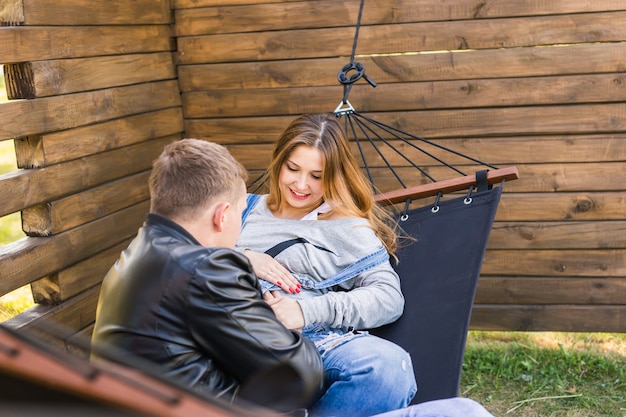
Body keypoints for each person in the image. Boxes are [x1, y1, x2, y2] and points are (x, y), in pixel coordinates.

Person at [91, 138, 324, 413]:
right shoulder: (206, 268)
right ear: (222, 215)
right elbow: (299, 374)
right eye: (240, 213)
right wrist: (281, 328)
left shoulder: (134, 255)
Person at [235, 113, 417, 417]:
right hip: (231, 333)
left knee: (387, 370)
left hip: (314, 342)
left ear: (334, 176)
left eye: (317, 176)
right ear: (278, 162)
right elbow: (172, 252)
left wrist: (305, 311)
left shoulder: (347, 228)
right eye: (293, 169)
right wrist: (242, 257)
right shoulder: (244, 208)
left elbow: (388, 297)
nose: (301, 185)